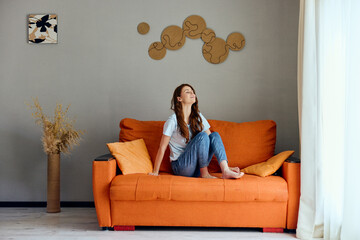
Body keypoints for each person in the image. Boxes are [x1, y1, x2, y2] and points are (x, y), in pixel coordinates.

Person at [149, 83, 244, 179]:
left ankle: (225, 170)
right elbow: (162, 147)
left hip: (196, 168)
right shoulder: (173, 121)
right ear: (179, 99)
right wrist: (155, 172)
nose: (192, 94)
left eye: (193, 92)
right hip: (181, 167)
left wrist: (226, 166)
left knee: (214, 135)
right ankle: (205, 174)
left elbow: (211, 141)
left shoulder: (197, 116)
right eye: (188, 92)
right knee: (202, 136)